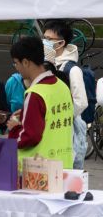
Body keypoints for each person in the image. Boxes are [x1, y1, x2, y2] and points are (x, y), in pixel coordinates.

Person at [7, 37, 74, 169]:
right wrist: (28, 116)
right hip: (64, 165)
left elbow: (30, 137)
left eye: (16, 63)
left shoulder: (35, 93)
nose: (16, 68)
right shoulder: (63, 86)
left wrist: (14, 128)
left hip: (40, 172)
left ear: (25, 62)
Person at [43, 20, 88, 168]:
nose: (45, 42)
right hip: (47, 129)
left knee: (67, 174)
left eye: (49, 39)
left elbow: (81, 102)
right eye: (43, 38)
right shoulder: (43, 65)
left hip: (67, 130)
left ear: (61, 43)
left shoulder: (72, 70)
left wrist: (60, 115)